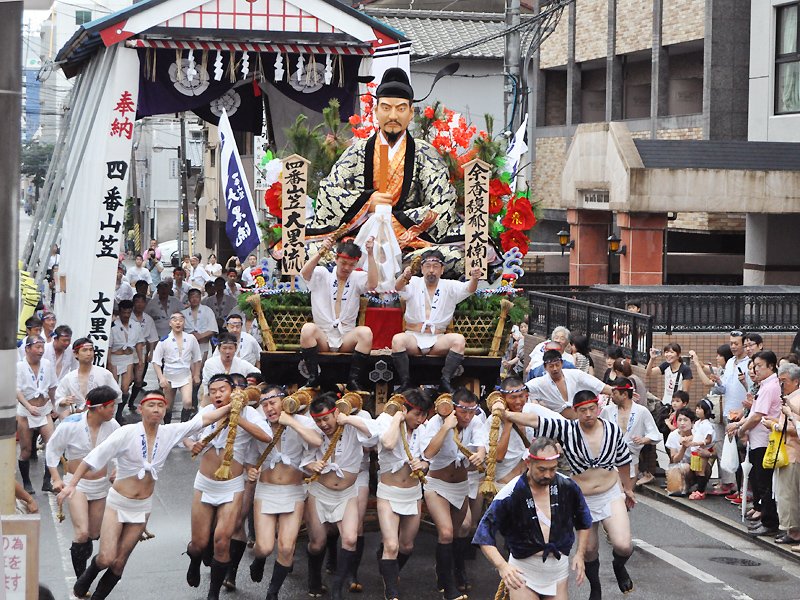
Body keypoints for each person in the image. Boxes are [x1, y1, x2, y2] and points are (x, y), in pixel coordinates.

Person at [56, 390, 233, 600]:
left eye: (160, 405)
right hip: (118, 503)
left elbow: (204, 419)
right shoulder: (127, 432)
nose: (156, 410)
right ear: (141, 409)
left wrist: (235, 404)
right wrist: (71, 485)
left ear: (165, 410)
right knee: (106, 558)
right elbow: (93, 458)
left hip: (142, 507)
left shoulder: (169, 432)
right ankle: (83, 582)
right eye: (151, 405)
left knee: (119, 563)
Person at [307, 68, 464, 273]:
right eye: (386, 108)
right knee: (305, 251)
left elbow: (442, 202)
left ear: (410, 113)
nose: (393, 116)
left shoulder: (425, 153)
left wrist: (394, 221)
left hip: (409, 246)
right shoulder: (358, 150)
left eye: (401, 109)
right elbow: (328, 191)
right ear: (376, 111)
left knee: (455, 256)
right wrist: (367, 203)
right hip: (356, 243)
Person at [495, 389, 636, 600]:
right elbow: (536, 421)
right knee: (589, 549)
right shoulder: (567, 429)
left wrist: (628, 488)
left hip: (610, 492)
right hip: (583, 497)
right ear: (575, 412)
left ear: (598, 408)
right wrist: (506, 414)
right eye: (582, 410)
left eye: (592, 409)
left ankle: (619, 565)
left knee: (623, 545)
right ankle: (595, 587)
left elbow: (624, 460)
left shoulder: (612, 429)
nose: (588, 414)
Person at [185, 374, 272, 600]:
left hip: (232, 486)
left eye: (222, 390)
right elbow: (185, 433)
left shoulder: (249, 413)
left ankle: (213, 594)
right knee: (198, 543)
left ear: (233, 391)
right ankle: (194, 560)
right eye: (213, 391)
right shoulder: (207, 412)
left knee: (222, 541)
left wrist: (237, 417)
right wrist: (191, 444)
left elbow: (267, 437)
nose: (217, 394)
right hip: (205, 484)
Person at [474, 437, 592, 600]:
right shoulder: (511, 492)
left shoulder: (568, 486)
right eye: (542, 469)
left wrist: (580, 554)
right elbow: (483, 534)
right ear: (529, 463)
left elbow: (584, 520)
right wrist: (502, 566)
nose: (548, 475)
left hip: (557, 570)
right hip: (523, 571)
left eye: (552, 469)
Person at [246, 385, 323, 599]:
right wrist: (250, 471)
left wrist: (291, 422)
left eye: (273, 402)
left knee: (287, 548)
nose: (269, 408)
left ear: (285, 400)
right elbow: (249, 459)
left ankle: (272, 593)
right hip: (266, 490)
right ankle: (259, 560)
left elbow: (317, 441)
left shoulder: (301, 421)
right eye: (264, 405)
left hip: (293, 491)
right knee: (264, 547)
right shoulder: (260, 425)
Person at [302, 392, 375, 599]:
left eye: (326, 418)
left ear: (335, 414)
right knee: (317, 543)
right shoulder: (314, 432)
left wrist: (348, 419)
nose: (323, 424)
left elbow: (374, 436)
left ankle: (337, 589)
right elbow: (304, 459)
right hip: (320, 492)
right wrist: (311, 465)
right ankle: (314, 578)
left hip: (347, 493)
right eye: (318, 420)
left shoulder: (352, 426)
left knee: (350, 538)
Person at [418, 387, 487, 599]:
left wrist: (480, 454)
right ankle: (449, 588)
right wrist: (446, 426)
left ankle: (451, 572)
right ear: (452, 408)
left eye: (471, 411)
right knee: (446, 532)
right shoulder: (435, 422)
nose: (467, 416)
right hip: (437, 485)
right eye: (463, 411)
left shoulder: (475, 421)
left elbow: (482, 444)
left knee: (458, 532)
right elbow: (428, 453)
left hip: (460, 485)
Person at [46, 386, 120, 576]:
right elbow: (52, 449)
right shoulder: (70, 424)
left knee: (93, 533)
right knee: (82, 533)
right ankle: (81, 579)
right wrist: (56, 478)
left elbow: (122, 450)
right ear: (100, 408)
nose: (114, 410)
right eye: (111, 406)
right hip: (76, 485)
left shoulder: (113, 425)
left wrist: (117, 469)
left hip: (100, 484)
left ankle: (84, 569)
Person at [370, 388, 433, 599]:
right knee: (391, 544)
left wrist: (423, 465)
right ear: (405, 409)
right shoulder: (386, 420)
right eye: (417, 414)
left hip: (412, 493)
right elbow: (388, 443)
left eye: (424, 414)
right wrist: (398, 418)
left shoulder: (423, 429)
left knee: (406, 545)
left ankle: (389, 569)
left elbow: (427, 459)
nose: (420, 419)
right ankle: (392, 592)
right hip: (389, 492)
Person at [391, 249, 482, 393]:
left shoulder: (449, 286)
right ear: (422, 269)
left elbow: (469, 288)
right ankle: (405, 381)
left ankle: (445, 380)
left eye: (435, 266)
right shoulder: (413, 282)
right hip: (413, 337)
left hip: (437, 339)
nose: (431, 270)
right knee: (397, 340)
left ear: (442, 269)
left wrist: (475, 278)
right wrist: (404, 276)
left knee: (458, 340)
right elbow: (398, 287)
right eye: (428, 266)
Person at [299, 237, 378, 390]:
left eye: (351, 265)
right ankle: (313, 378)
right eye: (343, 263)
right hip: (323, 336)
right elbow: (305, 273)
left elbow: (373, 284)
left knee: (366, 333)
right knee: (307, 329)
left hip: (345, 337)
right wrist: (321, 252)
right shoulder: (323, 273)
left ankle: (353, 380)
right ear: (336, 259)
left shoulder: (357, 277)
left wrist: (370, 254)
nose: (347, 268)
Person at [728, 350, 782, 536]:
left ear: (771, 366)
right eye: (755, 366)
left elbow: (757, 416)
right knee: (761, 482)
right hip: (758, 440)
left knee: (765, 483)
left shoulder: (769, 387)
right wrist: (740, 425)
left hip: (764, 441)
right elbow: (753, 414)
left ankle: (769, 522)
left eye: (759, 366)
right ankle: (766, 519)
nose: (755, 369)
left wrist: (742, 429)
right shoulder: (765, 385)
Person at [711, 331, 752, 499]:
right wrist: (718, 382)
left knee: (743, 452)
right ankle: (738, 489)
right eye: (731, 343)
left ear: (744, 344)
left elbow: (752, 389)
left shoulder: (750, 363)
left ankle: (746, 491)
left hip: (742, 414)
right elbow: (725, 388)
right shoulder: (729, 362)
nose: (733, 346)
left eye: (736, 343)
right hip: (728, 412)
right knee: (732, 450)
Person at [600, 377, 661, 489]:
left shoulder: (641, 411)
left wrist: (643, 440)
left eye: (614, 393)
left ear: (624, 394)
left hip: (631, 458)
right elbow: (598, 430)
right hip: (611, 458)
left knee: (628, 494)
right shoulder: (607, 410)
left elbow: (654, 434)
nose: (611, 396)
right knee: (614, 495)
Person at [17, 335, 58, 494]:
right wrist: (28, 406)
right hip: (26, 412)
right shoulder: (19, 366)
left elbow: (52, 387)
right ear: (27, 349)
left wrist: (55, 406)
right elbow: (17, 391)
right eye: (37, 347)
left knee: (52, 446)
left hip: (44, 410)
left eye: (42, 347)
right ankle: (27, 483)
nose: (41, 350)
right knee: (26, 450)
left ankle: (47, 481)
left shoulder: (47, 364)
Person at [765, 363, 800, 547]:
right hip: (786, 452)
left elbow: (795, 428)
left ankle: (793, 532)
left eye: (784, 381)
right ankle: (789, 529)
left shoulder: (796, 399)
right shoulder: (789, 398)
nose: (781, 385)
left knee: (789, 494)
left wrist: (775, 426)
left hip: (793, 453)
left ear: (796, 381)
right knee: (784, 493)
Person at [526, 349, 611, 419]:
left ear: (562, 363)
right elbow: (524, 388)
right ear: (545, 367)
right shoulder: (540, 383)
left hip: (580, 420)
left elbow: (600, 386)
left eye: (557, 365)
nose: (555, 369)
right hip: (556, 423)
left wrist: (616, 391)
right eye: (551, 366)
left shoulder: (575, 374)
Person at [151, 312, 202, 423]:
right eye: (175, 320)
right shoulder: (164, 340)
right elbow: (156, 361)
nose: (178, 323)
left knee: (188, 402)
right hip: (169, 375)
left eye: (180, 320)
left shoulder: (191, 338)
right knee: (168, 406)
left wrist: (196, 374)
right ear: (170, 323)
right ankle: (168, 427)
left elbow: (197, 358)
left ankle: (183, 426)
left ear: (184, 322)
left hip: (185, 375)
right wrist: (161, 378)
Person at [54, 338, 122, 418]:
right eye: (85, 350)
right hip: (77, 418)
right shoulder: (68, 378)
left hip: (100, 417)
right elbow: (59, 397)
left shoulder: (105, 374)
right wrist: (64, 401)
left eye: (91, 350)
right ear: (76, 354)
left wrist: (102, 400)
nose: (89, 353)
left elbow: (117, 395)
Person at [107, 299, 144, 423]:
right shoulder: (113, 325)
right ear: (120, 312)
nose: (126, 315)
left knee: (125, 388)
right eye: (124, 312)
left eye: (128, 312)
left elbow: (139, 343)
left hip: (128, 357)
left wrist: (140, 359)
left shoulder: (135, 325)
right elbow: (109, 347)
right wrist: (109, 363)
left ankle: (119, 413)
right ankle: (110, 413)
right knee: (113, 387)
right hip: (114, 358)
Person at [130, 294, 160, 411]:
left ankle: (131, 401)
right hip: (128, 350)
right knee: (128, 380)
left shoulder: (148, 319)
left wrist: (151, 352)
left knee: (138, 380)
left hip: (142, 350)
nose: (139, 304)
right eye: (137, 302)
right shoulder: (128, 316)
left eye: (142, 302)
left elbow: (152, 337)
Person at [686, 398, 716, 500]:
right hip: (695, 449)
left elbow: (708, 439)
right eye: (697, 408)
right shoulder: (697, 423)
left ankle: (701, 491)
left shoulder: (707, 424)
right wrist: (688, 440)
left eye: (700, 408)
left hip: (702, 450)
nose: (697, 410)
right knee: (697, 470)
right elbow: (694, 435)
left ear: (706, 411)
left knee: (701, 471)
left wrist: (697, 443)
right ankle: (699, 489)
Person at [664, 408, 696, 497]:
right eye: (679, 420)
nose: (682, 423)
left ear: (692, 422)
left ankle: (699, 487)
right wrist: (684, 447)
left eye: (685, 420)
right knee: (680, 468)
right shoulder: (673, 435)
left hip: (696, 465)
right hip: (681, 466)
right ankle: (684, 485)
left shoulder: (697, 433)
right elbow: (674, 459)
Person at [182, 287, 218, 362]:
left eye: (197, 297)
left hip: (204, 344)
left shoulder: (207, 310)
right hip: (188, 345)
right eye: (192, 297)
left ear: (200, 297)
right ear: (188, 298)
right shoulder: (183, 313)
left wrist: (200, 336)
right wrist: (191, 336)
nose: (194, 299)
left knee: (203, 366)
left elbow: (213, 329)